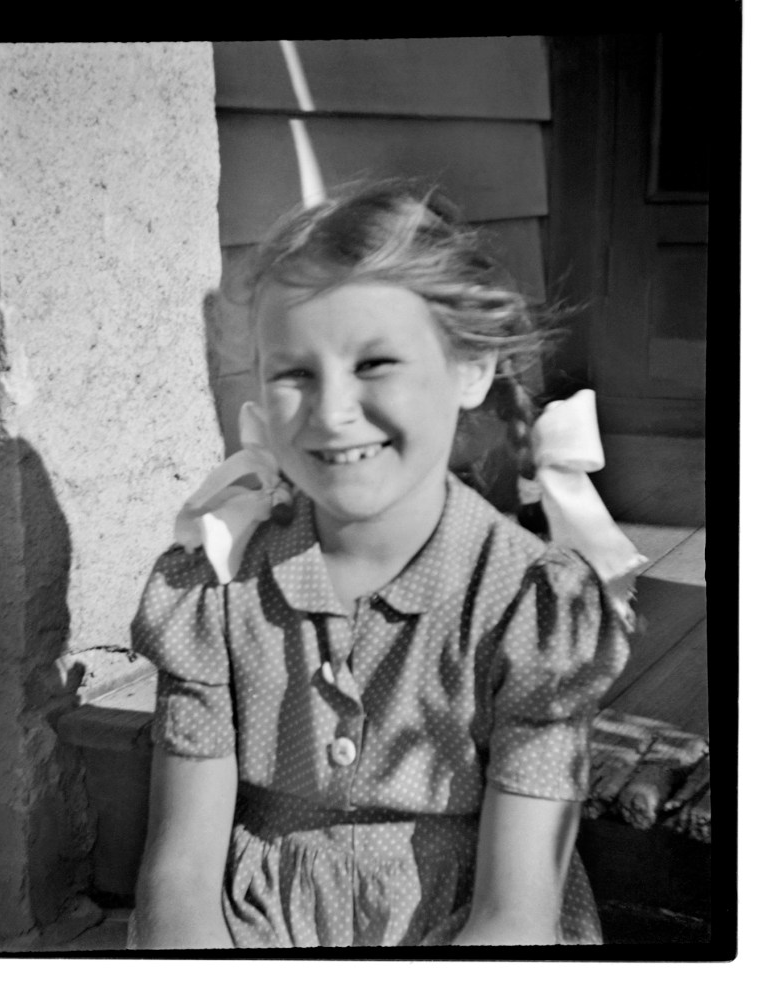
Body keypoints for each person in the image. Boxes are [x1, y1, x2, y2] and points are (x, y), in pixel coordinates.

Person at [129, 179, 633, 948]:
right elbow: (179, 880)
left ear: (471, 368)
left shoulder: (534, 610)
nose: (331, 412)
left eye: (375, 363)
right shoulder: (217, 590)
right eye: (293, 372)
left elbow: (517, 912)